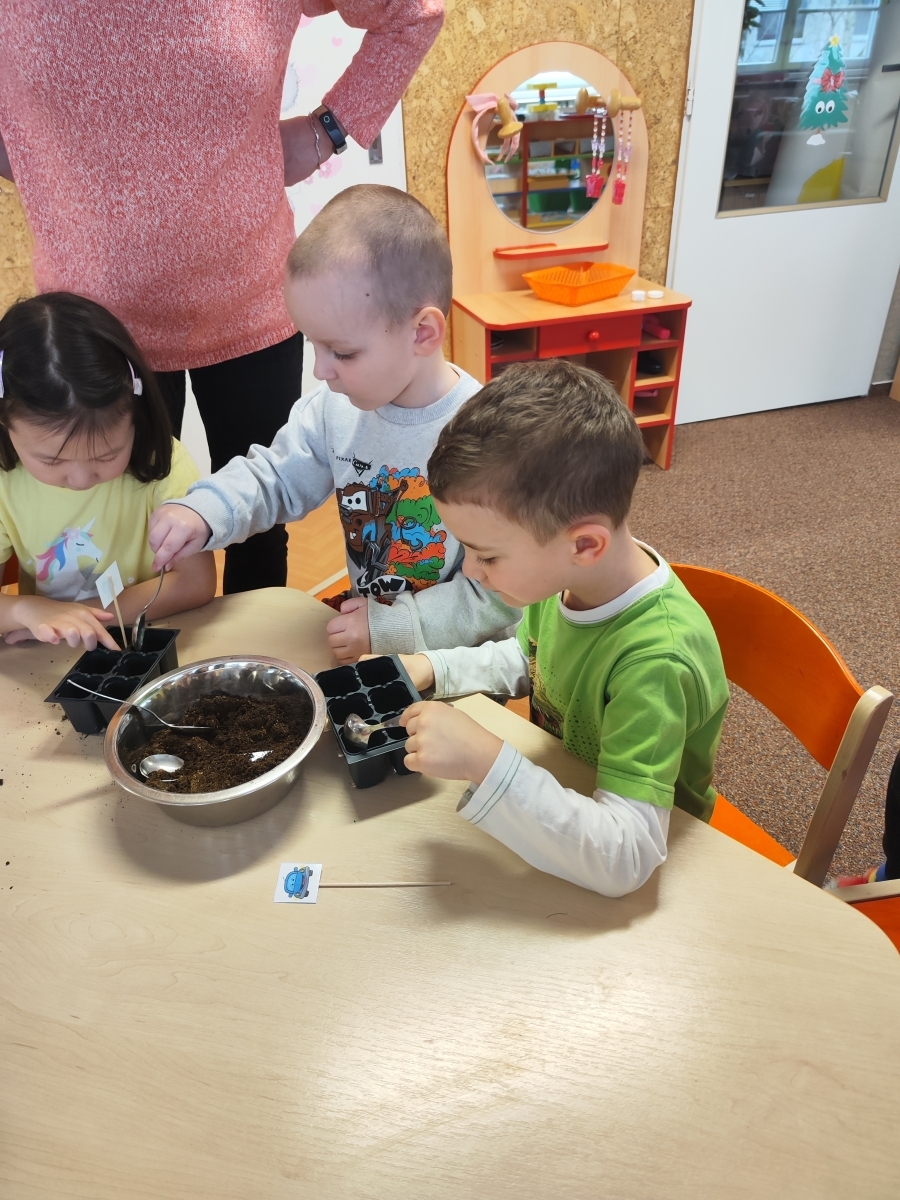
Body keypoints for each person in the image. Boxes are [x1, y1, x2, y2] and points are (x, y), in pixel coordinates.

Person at [0, 0, 444, 594]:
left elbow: (412, 14)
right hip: (94, 335)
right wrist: (41, 160)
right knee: (109, 522)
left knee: (259, 533)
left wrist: (330, 128)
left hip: (249, 301)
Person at [394, 359, 730, 898]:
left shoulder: (657, 661)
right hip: (567, 793)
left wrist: (485, 759)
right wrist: (434, 667)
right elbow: (534, 658)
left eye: (487, 556)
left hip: (645, 857)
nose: (471, 572)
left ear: (585, 545)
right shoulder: (566, 580)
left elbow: (627, 857)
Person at [147, 185, 519, 661]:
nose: (321, 370)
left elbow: (498, 598)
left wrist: (390, 625)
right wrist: (204, 511)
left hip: (456, 667)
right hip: (372, 643)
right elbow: (275, 477)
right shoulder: (334, 409)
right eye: (313, 345)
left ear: (422, 333)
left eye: (342, 352)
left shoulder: (491, 438)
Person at [0, 294, 216, 650]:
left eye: (107, 455)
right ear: (6, 426)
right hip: (46, 652)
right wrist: (24, 609)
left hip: (145, 639)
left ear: (135, 416)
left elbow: (196, 583)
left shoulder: (162, 464)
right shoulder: (6, 481)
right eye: (52, 461)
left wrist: (81, 614)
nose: (81, 479)